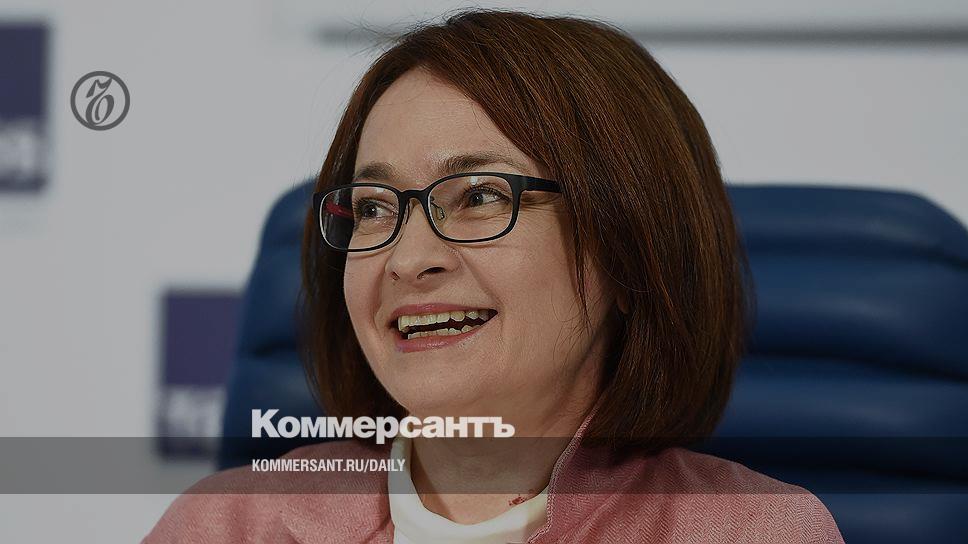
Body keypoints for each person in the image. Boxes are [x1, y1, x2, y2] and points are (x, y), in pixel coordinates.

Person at [144, 9, 844, 543]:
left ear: (629, 248)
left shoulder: (757, 532)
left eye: (480, 196)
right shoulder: (226, 526)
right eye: (374, 207)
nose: (407, 259)